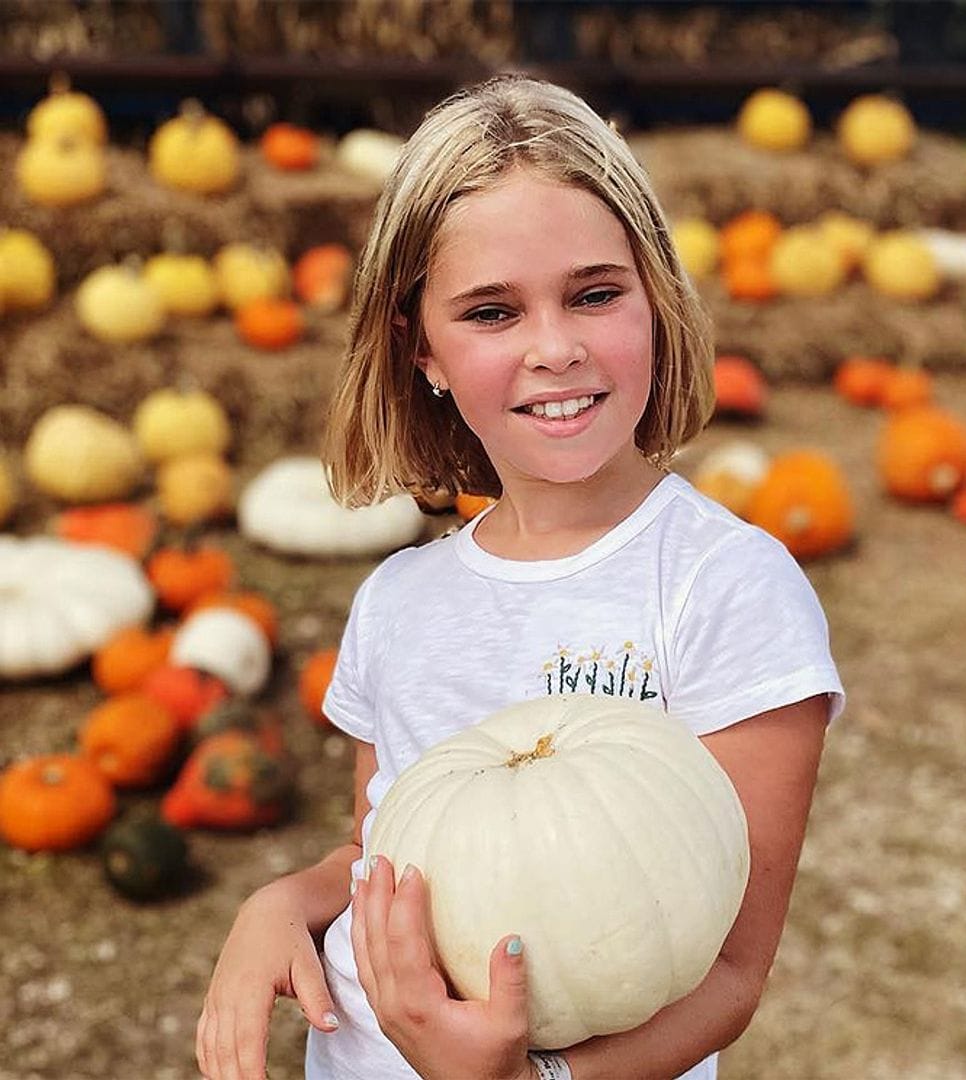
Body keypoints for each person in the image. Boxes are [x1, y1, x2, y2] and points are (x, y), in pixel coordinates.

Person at [196, 73, 844, 1080]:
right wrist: (279, 904)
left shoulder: (725, 591)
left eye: (594, 293)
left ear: (657, 297)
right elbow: (389, 857)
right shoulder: (399, 603)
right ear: (424, 351)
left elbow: (730, 974)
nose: (556, 348)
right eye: (492, 312)